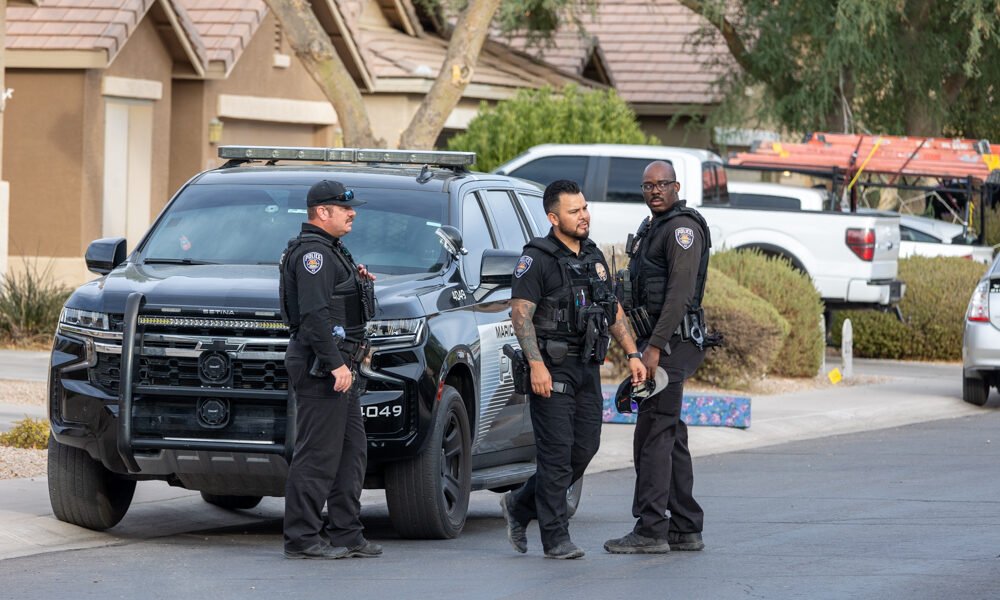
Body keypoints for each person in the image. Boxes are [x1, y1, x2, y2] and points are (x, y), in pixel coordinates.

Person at [501, 179, 646, 559]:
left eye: (584, 209)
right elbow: (520, 314)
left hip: (587, 366)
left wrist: (632, 354)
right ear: (553, 217)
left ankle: (519, 505)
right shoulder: (536, 258)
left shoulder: (593, 256)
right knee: (556, 455)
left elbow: (612, 308)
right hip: (551, 367)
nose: (584, 216)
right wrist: (536, 364)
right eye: (574, 211)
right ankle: (556, 538)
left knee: (584, 449)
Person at [604, 160, 713, 554]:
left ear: (676, 186)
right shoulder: (654, 226)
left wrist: (653, 348)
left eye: (661, 184)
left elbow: (679, 294)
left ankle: (651, 529)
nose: (653, 191)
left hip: (671, 344)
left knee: (653, 432)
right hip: (661, 342)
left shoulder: (681, 230)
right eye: (647, 186)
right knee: (669, 431)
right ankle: (685, 526)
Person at [280, 179, 380, 560]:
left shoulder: (332, 251)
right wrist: (336, 364)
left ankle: (346, 532)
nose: (352, 213)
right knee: (317, 454)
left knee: (351, 452)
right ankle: (302, 537)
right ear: (323, 212)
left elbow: (335, 303)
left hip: (341, 365)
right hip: (323, 365)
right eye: (344, 207)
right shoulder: (314, 255)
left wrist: (357, 282)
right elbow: (314, 317)